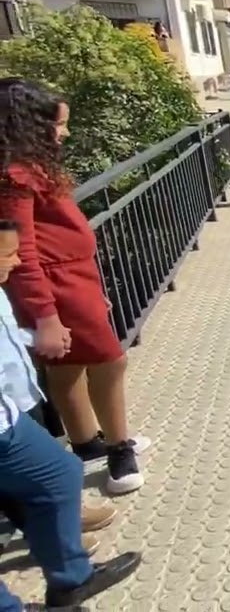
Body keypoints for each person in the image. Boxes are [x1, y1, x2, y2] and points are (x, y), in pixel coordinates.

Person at [0, 79, 149, 496]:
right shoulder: (15, 176)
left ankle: (86, 441)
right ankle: (120, 451)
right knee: (110, 361)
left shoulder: (28, 169)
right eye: (59, 124)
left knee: (67, 365)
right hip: (55, 283)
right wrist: (45, 315)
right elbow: (20, 249)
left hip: (71, 277)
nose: (64, 133)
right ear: (30, 125)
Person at [0, 218, 143, 609]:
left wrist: (43, 334)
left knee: (59, 474)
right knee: (53, 476)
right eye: (8, 254)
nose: (16, 264)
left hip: (10, 414)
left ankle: (69, 579)